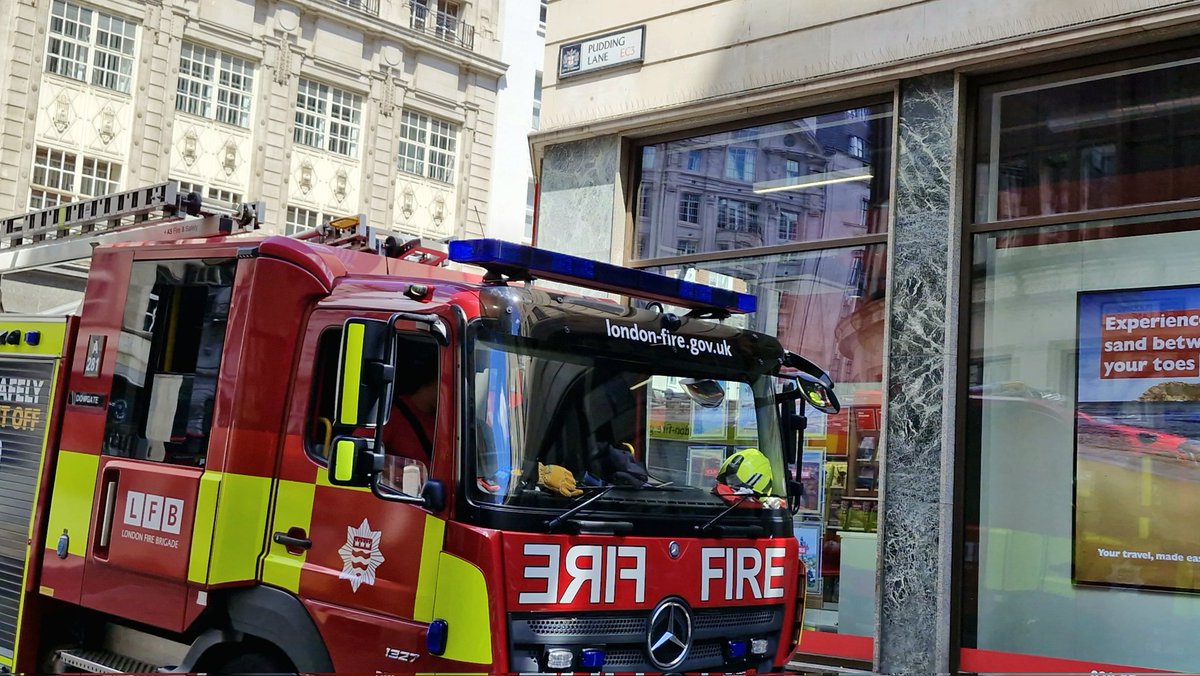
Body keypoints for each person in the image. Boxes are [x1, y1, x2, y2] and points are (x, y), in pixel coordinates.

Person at [382, 342, 439, 462]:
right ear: (433, 380)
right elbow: (359, 451)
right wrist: (392, 468)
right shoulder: (391, 416)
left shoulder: (445, 421)